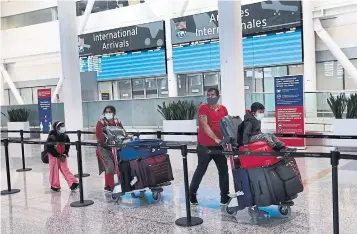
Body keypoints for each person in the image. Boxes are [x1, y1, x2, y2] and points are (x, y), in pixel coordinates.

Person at [189, 88, 230, 206]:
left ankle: (224, 197)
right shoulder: (203, 108)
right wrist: (215, 138)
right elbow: (204, 125)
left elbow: (226, 124)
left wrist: (228, 140)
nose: (210, 97)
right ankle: (192, 194)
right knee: (201, 170)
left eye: (213, 95)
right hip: (205, 146)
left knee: (223, 171)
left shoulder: (223, 109)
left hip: (219, 146)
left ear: (218, 96)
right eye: (208, 95)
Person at [95, 105, 125, 192]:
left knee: (116, 165)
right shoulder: (101, 123)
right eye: (106, 112)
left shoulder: (117, 121)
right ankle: (110, 186)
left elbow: (122, 132)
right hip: (104, 147)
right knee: (109, 166)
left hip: (115, 147)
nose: (108, 113)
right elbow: (99, 135)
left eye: (110, 112)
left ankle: (110, 184)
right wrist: (107, 142)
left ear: (113, 113)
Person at [46, 121, 79, 192]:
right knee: (54, 170)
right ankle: (55, 185)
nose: (63, 128)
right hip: (53, 156)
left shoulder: (65, 136)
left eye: (63, 126)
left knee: (65, 169)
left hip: (62, 155)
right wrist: (58, 155)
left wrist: (64, 154)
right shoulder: (52, 136)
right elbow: (49, 148)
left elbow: (67, 145)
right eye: (61, 126)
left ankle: (73, 183)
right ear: (56, 127)